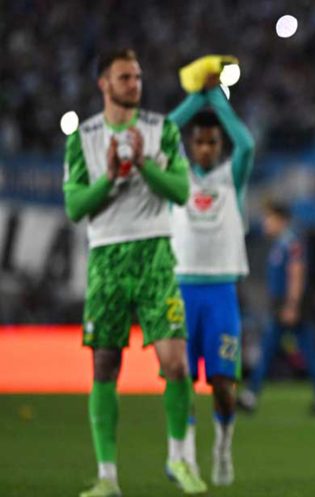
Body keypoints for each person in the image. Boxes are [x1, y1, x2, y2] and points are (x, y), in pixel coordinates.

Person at [63, 49, 206, 496]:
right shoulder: (83, 137)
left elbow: (180, 191)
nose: (134, 84)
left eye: (138, 76)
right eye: (125, 77)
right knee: (105, 364)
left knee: (176, 362)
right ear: (104, 84)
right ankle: (107, 477)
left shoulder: (161, 130)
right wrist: (109, 177)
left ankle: (179, 458)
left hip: (155, 254)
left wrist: (143, 164)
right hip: (106, 257)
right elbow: (74, 207)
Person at [167, 66, 255, 486]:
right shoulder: (177, 175)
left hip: (221, 292)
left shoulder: (229, 180)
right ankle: (185, 456)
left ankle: (222, 447)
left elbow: (247, 144)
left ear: (220, 146)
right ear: (190, 145)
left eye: (212, 142)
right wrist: (196, 98)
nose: (205, 148)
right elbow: (163, 132)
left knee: (222, 383)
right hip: (181, 289)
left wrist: (215, 97)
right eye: (199, 142)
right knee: (180, 380)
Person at [238, 201, 315, 415]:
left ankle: (251, 395)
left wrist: (292, 305)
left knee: (282, 349)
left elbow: (296, 272)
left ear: (280, 219)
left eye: (269, 218)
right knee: (292, 349)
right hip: (284, 305)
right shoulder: (282, 242)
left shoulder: (291, 242)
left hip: (290, 306)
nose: (265, 223)